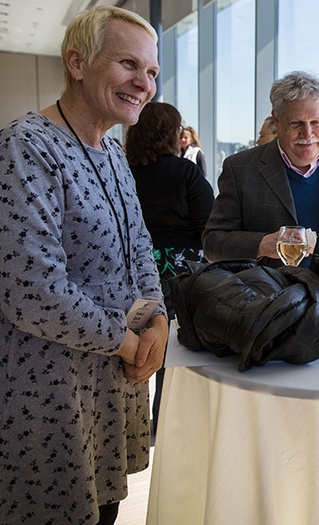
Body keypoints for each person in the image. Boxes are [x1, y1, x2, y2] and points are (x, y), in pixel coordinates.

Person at [0, 5, 168, 525]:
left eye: (151, 72)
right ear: (77, 62)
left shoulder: (114, 154)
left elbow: (139, 248)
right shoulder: (22, 149)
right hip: (43, 391)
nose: (143, 83)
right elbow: (33, 289)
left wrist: (159, 321)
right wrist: (130, 344)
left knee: (103, 509)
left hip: (108, 384)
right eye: (128, 64)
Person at [203, 71, 319, 279]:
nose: (308, 135)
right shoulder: (240, 169)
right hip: (264, 300)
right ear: (277, 120)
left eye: (316, 122)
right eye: (296, 124)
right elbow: (212, 243)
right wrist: (263, 244)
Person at [126, 101, 214, 429]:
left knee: (133, 349)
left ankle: (130, 424)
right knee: (172, 351)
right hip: (180, 275)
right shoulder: (186, 173)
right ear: (171, 134)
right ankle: (164, 421)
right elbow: (210, 227)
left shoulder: (122, 170)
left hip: (135, 274)